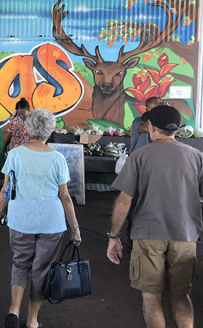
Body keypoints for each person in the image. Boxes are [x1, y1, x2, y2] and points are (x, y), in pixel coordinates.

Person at [107, 105, 202, 328]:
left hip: (148, 234)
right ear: (177, 129)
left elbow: (124, 201)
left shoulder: (140, 156)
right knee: (180, 296)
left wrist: (113, 236)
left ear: (150, 127)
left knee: (151, 298)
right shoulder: (197, 157)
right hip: (185, 234)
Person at [0, 108, 81, 328]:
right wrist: (75, 228)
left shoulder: (15, 154)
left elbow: (5, 190)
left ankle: (13, 310)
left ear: (27, 128)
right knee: (41, 270)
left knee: (20, 264)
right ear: (50, 131)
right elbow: (65, 197)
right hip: (52, 223)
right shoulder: (57, 158)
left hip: (20, 219)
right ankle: (32, 321)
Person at [124, 96, 165, 247]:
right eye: (156, 106)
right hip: (138, 169)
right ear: (147, 108)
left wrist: (165, 112)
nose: (160, 108)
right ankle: (131, 236)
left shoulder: (161, 123)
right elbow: (147, 128)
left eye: (161, 105)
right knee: (135, 203)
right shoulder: (139, 122)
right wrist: (162, 112)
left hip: (155, 168)